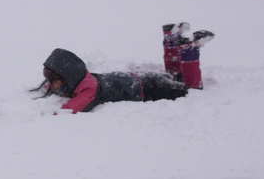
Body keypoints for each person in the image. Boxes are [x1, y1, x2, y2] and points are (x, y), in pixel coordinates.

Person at [32, 23, 214, 113]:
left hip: (145, 87)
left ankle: (190, 49)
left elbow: (69, 111)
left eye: (52, 81)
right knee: (173, 77)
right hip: (134, 77)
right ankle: (172, 37)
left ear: (66, 77)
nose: (49, 85)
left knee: (188, 89)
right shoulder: (80, 77)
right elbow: (55, 86)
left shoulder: (88, 89)